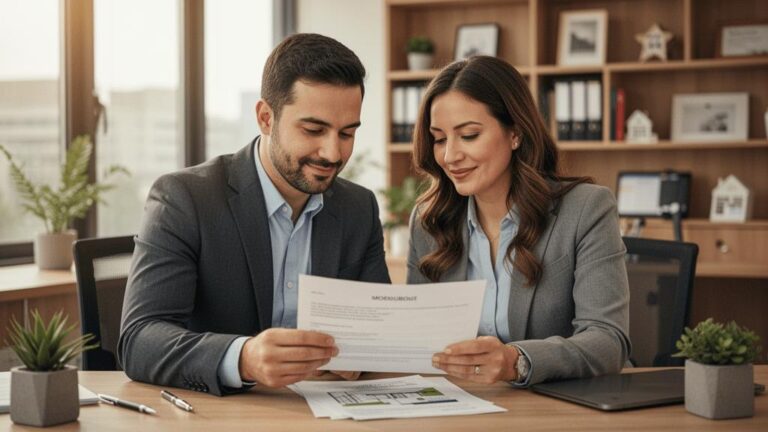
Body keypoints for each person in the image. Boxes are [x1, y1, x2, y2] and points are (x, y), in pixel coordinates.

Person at [118, 33, 390, 396]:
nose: (332, 153)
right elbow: (139, 340)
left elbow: (382, 332)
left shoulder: (359, 208)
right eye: (314, 130)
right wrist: (244, 358)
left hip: (328, 412)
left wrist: (365, 353)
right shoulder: (186, 198)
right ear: (265, 117)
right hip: (224, 415)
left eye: (347, 133)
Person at [407, 56, 630, 387]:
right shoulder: (429, 221)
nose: (450, 156)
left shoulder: (586, 209)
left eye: (468, 135)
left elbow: (608, 342)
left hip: (556, 410)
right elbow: (417, 339)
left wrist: (516, 362)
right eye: (439, 138)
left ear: (515, 133)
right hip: (463, 408)